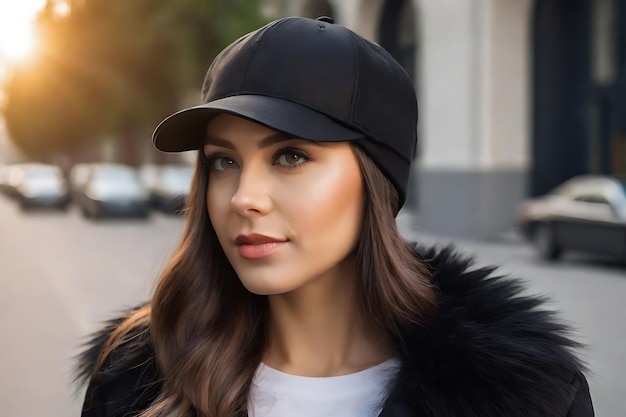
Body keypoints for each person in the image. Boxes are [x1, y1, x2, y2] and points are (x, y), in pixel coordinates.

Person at [76, 16, 594, 417]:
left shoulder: (526, 396)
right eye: (224, 161)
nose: (243, 198)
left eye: (291, 156)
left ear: (377, 181)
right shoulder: (137, 375)